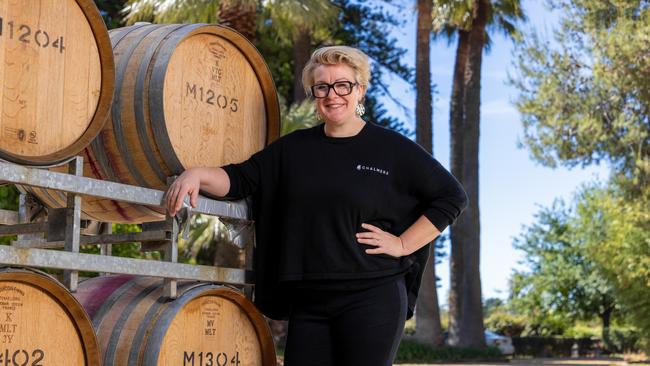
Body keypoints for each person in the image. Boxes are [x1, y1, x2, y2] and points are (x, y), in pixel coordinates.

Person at [166, 45, 468, 366]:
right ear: (313, 93)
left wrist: (403, 243)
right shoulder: (291, 150)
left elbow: (451, 197)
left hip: (372, 295)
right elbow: (240, 179)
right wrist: (197, 174)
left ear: (360, 91)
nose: (332, 94)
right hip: (309, 301)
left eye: (343, 85)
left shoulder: (391, 148)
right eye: (321, 86)